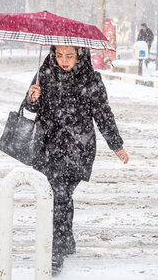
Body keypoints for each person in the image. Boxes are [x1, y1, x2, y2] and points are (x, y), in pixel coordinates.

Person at [24, 45, 129, 275]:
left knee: (59, 195)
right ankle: (66, 240)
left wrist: (116, 145)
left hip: (77, 149)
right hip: (48, 147)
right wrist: (33, 98)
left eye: (69, 56)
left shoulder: (91, 80)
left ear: (79, 55)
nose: (63, 60)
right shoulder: (44, 73)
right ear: (53, 54)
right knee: (59, 196)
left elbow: (103, 114)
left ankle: (56, 251)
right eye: (59, 55)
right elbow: (30, 107)